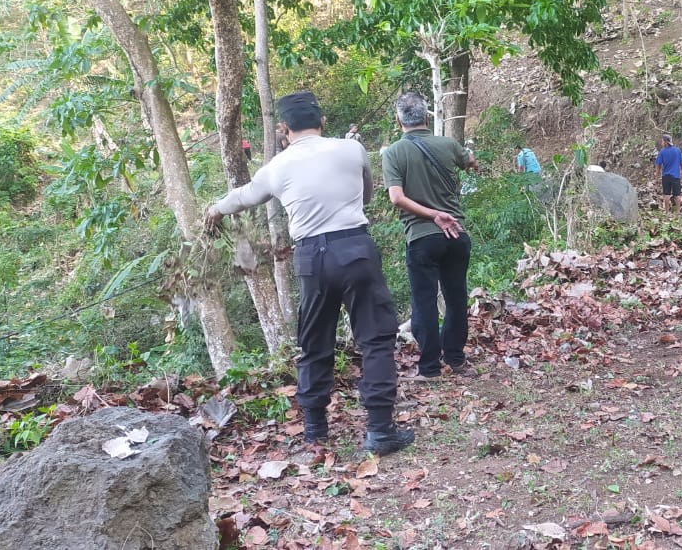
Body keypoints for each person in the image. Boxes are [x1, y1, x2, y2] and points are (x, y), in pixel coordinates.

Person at [204, 91, 412, 456]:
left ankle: (315, 431)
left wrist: (214, 211)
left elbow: (243, 196)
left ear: (283, 129)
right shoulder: (351, 150)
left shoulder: (277, 167)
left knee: (315, 343)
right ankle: (380, 430)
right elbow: (364, 197)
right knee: (375, 339)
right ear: (323, 122)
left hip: (310, 257)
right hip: (355, 248)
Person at [382, 91, 480, 381]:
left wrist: (431, 215)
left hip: (422, 238)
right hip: (456, 235)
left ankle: (430, 369)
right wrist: (470, 163)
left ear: (398, 120)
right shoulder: (448, 144)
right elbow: (469, 161)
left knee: (423, 302)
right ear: (427, 117)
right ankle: (457, 359)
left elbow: (396, 198)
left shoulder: (394, 153)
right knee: (456, 297)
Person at [655, 133, 682, 213]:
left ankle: (667, 212)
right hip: (676, 176)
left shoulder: (662, 152)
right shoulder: (677, 150)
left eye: (662, 141)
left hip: (666, 176)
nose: (661, 143)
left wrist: (657, 177)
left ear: (665, 142)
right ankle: (678, 212)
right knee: (677, 195)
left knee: (666, 195)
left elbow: (658, 165)